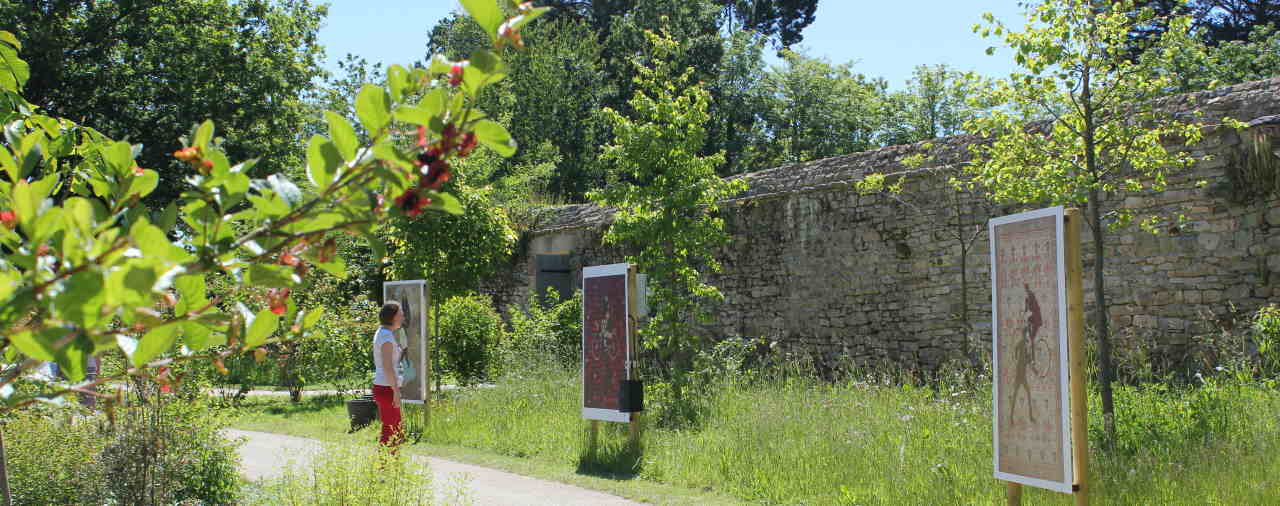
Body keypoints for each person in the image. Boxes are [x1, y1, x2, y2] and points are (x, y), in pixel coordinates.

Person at [372, 301, 405, 450]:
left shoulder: (384, 334)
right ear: (392, 317)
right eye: (400, 314)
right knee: (392, 430)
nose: (403, 316)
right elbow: (387, 367)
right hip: (387, 389)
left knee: (394, 428)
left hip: (386, 387)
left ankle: (390, 465)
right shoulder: (386, 337)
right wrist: (395, 391)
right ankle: (386, 467)